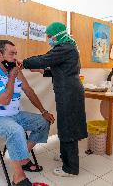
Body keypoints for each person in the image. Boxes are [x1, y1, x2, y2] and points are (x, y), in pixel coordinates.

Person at [0, 40, 55, 186]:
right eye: (11, 54)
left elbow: (29, 91)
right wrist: (12, 77)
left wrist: (43, 111)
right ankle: (18, 176)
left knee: (43, 122)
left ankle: (22, 158)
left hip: (14, 115)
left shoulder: (14, 70)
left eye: (16, 54)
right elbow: (5, 100)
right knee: (16, 130)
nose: (15, 58)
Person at [17, 22, 88, 177]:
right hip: (69, 90)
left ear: (57, 35)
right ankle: (65, 156)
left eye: (49, 36)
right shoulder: (69, 47)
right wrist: (42, 70)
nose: (48, 39)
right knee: (65, 124)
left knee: (67, 126)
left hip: (69, 93)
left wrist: (24, 62)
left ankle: (70, 168)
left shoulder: (65, 48)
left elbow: (45, 59)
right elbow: (62, 68)